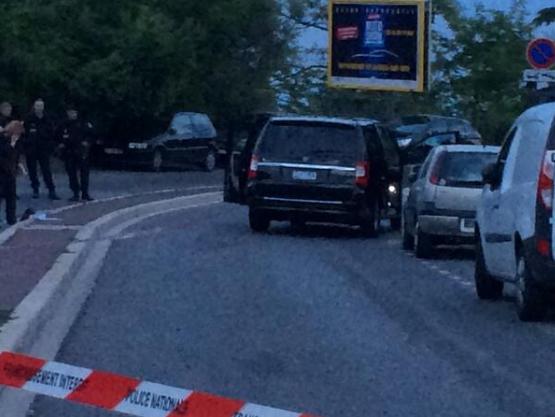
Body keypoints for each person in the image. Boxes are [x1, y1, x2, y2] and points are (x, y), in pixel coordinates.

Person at [23, 99, 60, 200]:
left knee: (46, 170)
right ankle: (35, 189)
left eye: (41, 106)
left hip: (43, 148)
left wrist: (50, 145)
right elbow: (24, 133)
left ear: (43, 107)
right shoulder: (29, 118)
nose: (39, 108)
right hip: (31, 148)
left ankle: (51, 190)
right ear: (34, 107)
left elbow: (52, 133)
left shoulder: (47, 119)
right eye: (37, 106)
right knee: (32, 170)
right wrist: (26, 144)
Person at [57, 104, 94, 201]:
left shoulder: (83, 123)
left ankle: (85, 193)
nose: (72, 114)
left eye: (74, 112)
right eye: (70, 112)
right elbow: (57, 136)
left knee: (84, 173)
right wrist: (60, 144)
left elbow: (91, 135)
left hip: (81, 151)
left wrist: (87, 142)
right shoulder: (63, 124)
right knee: (72, 174)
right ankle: (75, 193)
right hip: (69, 152)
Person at [0, 121, 24, 225]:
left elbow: (16, 154)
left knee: (11, 196)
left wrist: (18, 165)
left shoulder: (17, 142)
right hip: (2, 170)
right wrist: (12, 143)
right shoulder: (2, 139)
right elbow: (5, 152)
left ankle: (11, 218)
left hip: (10, 171)